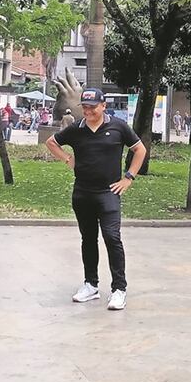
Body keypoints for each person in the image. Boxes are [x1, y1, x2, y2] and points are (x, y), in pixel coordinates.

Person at [45, 88, 147, 311]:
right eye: (85, 107)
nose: (88, 111)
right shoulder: (76, 129)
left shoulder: (118, 126)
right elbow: (51, 142)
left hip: (108, 193)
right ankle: (90, 285)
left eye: (92, 107)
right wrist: (66, 158)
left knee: (112, 238)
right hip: (82, 193)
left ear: (103, 106)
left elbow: (140, 150)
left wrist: (128, 177)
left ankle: (119, 289)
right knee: (88, 239)